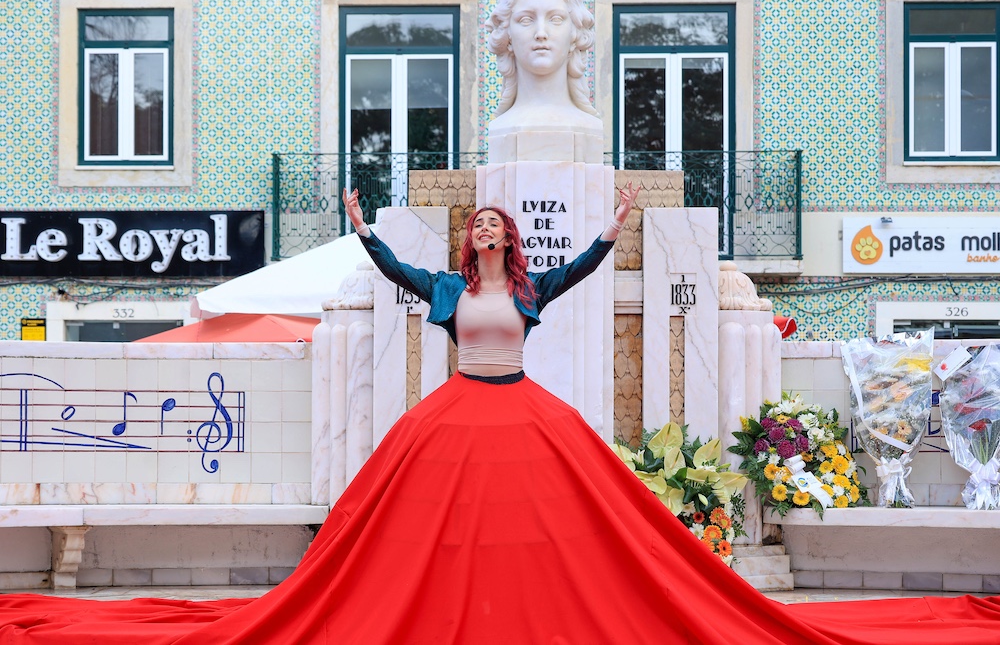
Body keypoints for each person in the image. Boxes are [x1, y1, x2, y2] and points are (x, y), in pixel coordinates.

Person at [3, 191, 1000, 642]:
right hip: (454, 418)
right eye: (476, 222)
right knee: (413, 529)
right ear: (466, 233)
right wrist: (357, 230)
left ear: (503, 239)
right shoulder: (442, 287)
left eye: (492, 225)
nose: (483, 231)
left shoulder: (525, 292)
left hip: (522, 415)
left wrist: (612, 232)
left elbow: (574, 273)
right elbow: (391, 272)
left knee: (563, 524)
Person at [485, 0, 602, 133]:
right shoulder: (501, 128)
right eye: (526, 20)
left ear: (575, 34)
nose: (541, 33)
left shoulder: (588, 127)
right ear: (507, 35)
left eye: (556, 19)